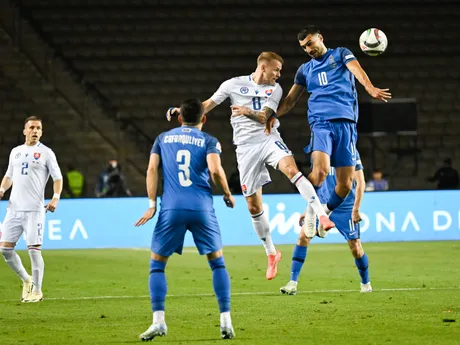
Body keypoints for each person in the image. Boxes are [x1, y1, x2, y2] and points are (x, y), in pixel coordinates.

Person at [167, 52, 334, 280]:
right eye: (276, 70)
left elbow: (266, 117)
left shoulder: (275, 89)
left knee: (292, 170)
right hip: (245, 148)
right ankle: (272, 253)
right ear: (263, 67)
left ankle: (320, 215)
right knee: (254, 207)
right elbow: (206, 105)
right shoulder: (233, 85)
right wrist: (181, 111)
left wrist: (245, 111)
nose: (279, 74)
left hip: (269, 139)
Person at [266, 25, 391, 233]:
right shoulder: (305, 70)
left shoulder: (341, 54)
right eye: (304, 47)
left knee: (344, 185)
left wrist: (370, 89)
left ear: (320, 38)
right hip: (321, 124)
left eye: (310, 44)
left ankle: (324, 210)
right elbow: (289, 101)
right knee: (321, 171)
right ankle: (312, 212)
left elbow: (357, 71)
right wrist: (273, 115)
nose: (308, 50)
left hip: (346, 124)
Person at [135, 99, 236, 341]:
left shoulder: (162, 138)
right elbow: (214, 171)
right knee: (217, 263)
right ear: (205, 118)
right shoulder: (210, 141)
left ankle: (158, 321)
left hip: (171, 208)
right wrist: (227, 193)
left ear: (179, 118)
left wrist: (151, 205)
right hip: (201, 208)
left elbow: (151, 170)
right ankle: (225, 321)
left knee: (157, 265)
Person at [280, 151, 372, 295]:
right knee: (303, 238)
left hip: (345, 207)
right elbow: (315, 184)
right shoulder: (319, 152)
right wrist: (310, 209)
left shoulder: (349, 150)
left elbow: (360, 182)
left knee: (355, 248)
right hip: (322, 204)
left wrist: (356, 208)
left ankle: (365, 283)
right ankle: (292, 283)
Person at [0, 116, 63, 303]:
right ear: (25, 130)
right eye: (32, 127)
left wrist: (55, 198)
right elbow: (9, 175)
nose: (35, 131)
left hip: (34, 210)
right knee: (4, 250)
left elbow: (57, 177)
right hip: (13, 209)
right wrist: (2, 189)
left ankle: (37, 291)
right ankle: (26, 280)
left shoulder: (46, 153)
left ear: (41, 132)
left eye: (39, 128)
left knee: (34, 250)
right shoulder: (16, 152)